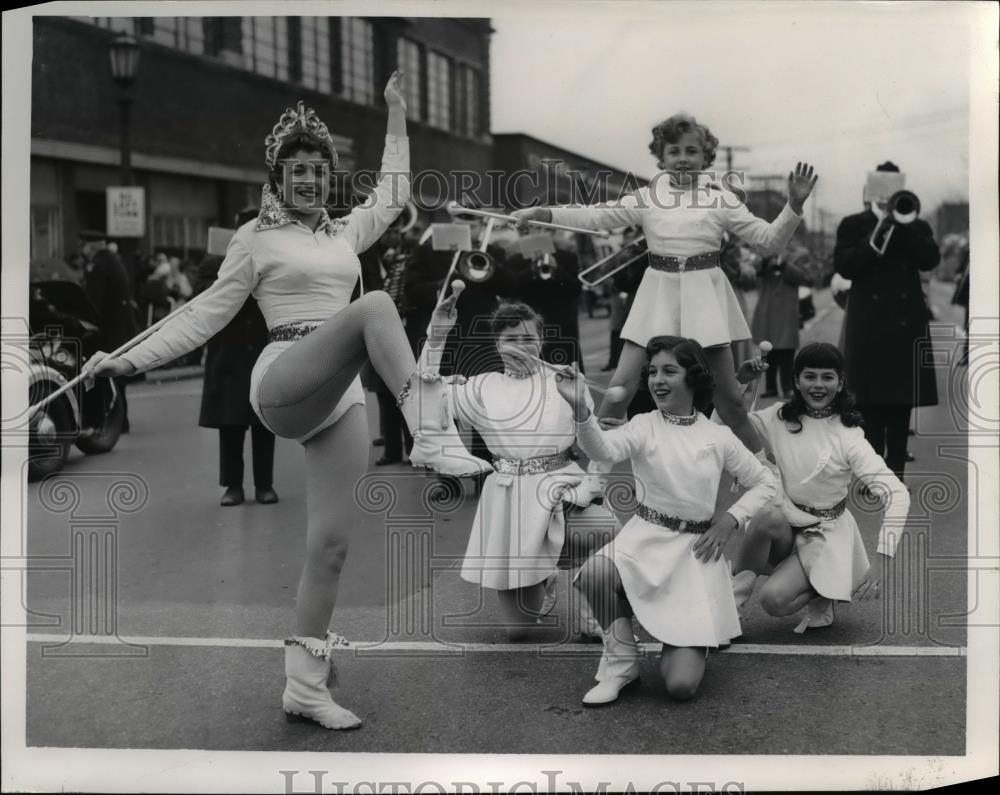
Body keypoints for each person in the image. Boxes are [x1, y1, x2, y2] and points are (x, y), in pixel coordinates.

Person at [83, 73, 491, 732]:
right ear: (277, 176)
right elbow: (203, 314)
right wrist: (126, 359)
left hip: (339, 395)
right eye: (296, 170)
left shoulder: (343, 235)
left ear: (330, 177)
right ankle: (430, 430)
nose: (308, 180)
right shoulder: (255, 238)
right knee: (377, 304)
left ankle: (304, 685)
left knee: (329, 547)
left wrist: (395, 113)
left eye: (318, 170)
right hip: (282, 379)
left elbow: (392, 189)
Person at [513, 112, 819, 530]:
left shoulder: (720, 199)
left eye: (692, 151)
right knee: (618, 390)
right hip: (657, 295)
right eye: (673, 151)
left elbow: (768, 242)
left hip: (705, 297)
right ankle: (594, 481)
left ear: (707, 157)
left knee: (730, 402)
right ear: (659, 158)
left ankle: (777, 491)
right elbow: (595, 217)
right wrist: (546, 213)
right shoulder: (646, 196)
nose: (682, 159)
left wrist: (794, 206)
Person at [555, 336, 777, 705]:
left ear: (692, 378)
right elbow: (603, 449)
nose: (658, 380)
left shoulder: (717, 436)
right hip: (644, 539)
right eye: (653, 371)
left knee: (680, 687)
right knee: (595, 573)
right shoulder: (644, 425)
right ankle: (621, 664)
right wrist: (581, 408)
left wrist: (730, 521)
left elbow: (765, 481)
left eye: (669, 371)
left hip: (694, 554)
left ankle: (690, 630)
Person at [430, 301, 613, 641]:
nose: (522, 346)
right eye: (511, 338)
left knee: (600, 527)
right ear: (498, 345)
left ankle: (592, 614)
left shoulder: (567, 381)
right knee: (518, 631)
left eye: (529, 338)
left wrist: (592, 484)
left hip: (562, 488)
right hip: (509, 500)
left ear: (541, 341)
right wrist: (436, 339)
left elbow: (598, 448)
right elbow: (421, 397)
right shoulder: (481, 386)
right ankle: (546, 577)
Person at [730, 343, 911, 632]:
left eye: (827, 377)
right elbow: (725, 425)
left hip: (825, 532)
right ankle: (731, 607)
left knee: (773, 600)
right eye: (809, 376)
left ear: (840, 383)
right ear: (796, 381)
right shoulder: (777, 417)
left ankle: (821, 590)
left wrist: (883, 560)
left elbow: (897, 495)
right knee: (765, 514)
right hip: (786, 524)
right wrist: (740, 382)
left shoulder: (849, 435)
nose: (818, 385)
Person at [834, 162, 940, 481]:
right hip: (868, 320)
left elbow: (930, 260)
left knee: (900, 401)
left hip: (905, 323)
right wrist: (877, 234)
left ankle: (896, 474)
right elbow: (846, 266)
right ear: (869, 193)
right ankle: (874, 473)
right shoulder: (853, 225)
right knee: (866, 401)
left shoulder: (916, 226)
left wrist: (902, 226)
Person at [195, 208, 278, 507]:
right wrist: (223, 264)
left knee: (263, 421)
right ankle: (232, 486)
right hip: (228, 351)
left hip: (261, 348)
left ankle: (264, 484)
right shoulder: (215, 262)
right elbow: (202, 299)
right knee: (230, 424)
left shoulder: (274, 259)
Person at [81, 238, 139, 434]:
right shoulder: (114, 260)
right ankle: (123, 420)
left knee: (107, 374)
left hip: (108, 330)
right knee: (118, 377)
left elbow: (93, 301)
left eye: (84, 247)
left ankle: (115, 421)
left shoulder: (97, 266)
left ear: (90, 247)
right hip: (121, 328)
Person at [751, 237, 815, 399]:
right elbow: (753, 272)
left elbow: (806, 278)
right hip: (767, 307)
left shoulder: (800, 254)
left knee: (786, 351)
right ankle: (771, 387)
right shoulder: (764, 250)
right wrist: (767, 260)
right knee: (767, 350)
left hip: (786, 308)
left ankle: (787, 387)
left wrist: (784, 265)